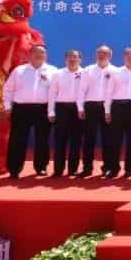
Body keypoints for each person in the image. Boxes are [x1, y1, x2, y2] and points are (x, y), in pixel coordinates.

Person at [3, 44, 56, 178]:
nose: (39, 55)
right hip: (21, 109)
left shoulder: (53, 71)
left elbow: (56, 92)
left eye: (42, 53)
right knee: (17, 139)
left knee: (42, 139)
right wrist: (7, 106)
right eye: (36, 52)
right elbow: (8, 89)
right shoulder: (19, 70)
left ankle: (41, 167)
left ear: (46, 55)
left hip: (43, 109)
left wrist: (52, 111)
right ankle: (14, 169)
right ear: (30, 55)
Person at [103, 47, 131, 178]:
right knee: (115, 140)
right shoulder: (116, 72)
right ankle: (113, 168)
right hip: (117, 107)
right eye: (127, 55)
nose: (130, 57)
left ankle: (129, 169)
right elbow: (109, 91)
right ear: (124, 57)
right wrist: (107, 110)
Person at [76, 45, 115, 178]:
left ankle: (108, 168)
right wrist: (80, 108)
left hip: (108, 108)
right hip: (90, 107)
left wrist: (109, 109)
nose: (101, 55)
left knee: (108, 140)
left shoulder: (116, 71)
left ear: (110, 55)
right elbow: (81, 90)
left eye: (104, 53)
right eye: (99, 52)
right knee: (89, 139)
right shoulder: (88, 70)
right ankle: (87, 168)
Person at [48, 49, 84, 178]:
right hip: (61, 108)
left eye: (75, 57)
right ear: (65, 59)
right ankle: (58, 169)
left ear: (80, 59)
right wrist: (51, 111)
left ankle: (73, 169)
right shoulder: (58, 74)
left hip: (78, 109)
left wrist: (82, 109)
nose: (72, 59)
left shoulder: (85, 73)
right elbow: (52, 93)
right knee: (60, 140)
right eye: (69, 56)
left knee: (76, 140)